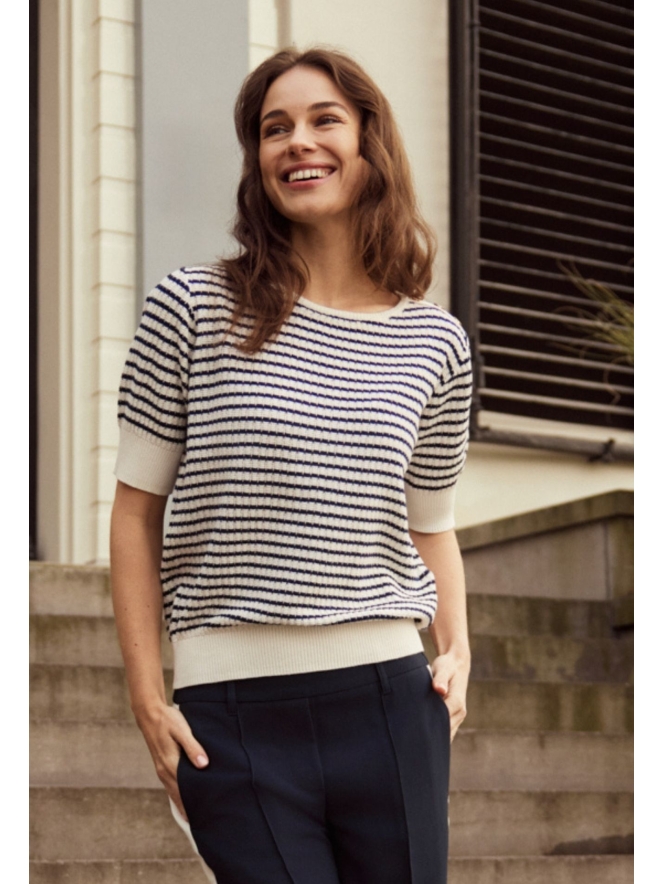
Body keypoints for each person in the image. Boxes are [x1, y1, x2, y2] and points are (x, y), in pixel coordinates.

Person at [110, 46, 473, 884]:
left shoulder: (435, 342)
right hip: (231, 715)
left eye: (323, 120)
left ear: (370, 142)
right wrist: (147, 697)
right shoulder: (191, 306)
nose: (297, 142)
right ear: (258, 159)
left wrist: (458, 651)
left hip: (390, 703)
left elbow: (431, 526)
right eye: (275, 129)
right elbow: (134, 514)